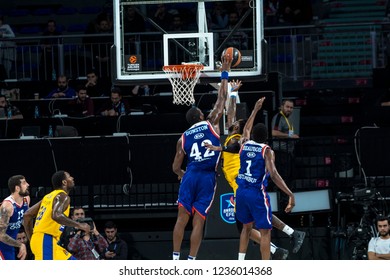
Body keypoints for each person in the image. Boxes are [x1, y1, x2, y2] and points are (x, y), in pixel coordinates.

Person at [206, 87, 305, 259]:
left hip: (241, 182)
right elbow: (232, 115)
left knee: (245, 225)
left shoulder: (238, 140)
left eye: (237, 123)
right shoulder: (236, 135)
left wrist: (219, 148)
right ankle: (288, 237)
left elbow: (235, 144)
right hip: (241, 182)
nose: (234, 122)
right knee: (251, 222)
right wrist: (234, 94)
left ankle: (277, 248)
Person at [171, 53, 232, 260]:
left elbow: (175, 167)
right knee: (199, 220)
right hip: (207, 176)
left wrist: (182, 174)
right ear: (200, 116)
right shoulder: (211, 123)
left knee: (181, 219)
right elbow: (222, 99)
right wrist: (225, 73)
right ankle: (192, 260)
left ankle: (175, 258)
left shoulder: (183, 138)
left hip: (190, 174)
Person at [235, 103, 295, 260]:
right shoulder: (266, 151)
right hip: (256, 193)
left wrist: (254, 110)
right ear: (266, 137)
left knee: (246, 228)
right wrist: (290, 194)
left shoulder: (244, 144)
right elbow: (274, 175)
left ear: (253, 135)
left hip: (240, 192)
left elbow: (246, 129)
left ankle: (240, 264)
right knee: (265, 232)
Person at [23, 170, 91, 260]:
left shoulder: (48, 196)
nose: (72, 178)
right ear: (64, 182)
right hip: (46, 239)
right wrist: (80, 225)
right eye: (69, 176)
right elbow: (56, 215)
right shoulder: (63, 196)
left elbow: (27, 215)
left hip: (50, 241)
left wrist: (33, 238)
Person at [0, 175, 30, 260]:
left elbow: (24, 221)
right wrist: (20, 244)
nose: (28, 184)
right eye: (24, 183)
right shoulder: (7, 206)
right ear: (17, 188)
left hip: (10, 245)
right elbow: (1, 235)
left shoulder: (26, 200)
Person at [271, 99, 299, 181]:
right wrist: (291, 137)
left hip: (287, 152)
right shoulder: (279, 117)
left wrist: (293, 137)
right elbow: (274, 133)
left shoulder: (288, 119)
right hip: (280, 152)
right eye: (287, 107)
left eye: (291, 107)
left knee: (289, 176)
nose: (289, 109)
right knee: (282, 177)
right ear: (281, 107)